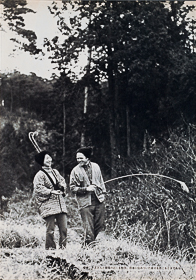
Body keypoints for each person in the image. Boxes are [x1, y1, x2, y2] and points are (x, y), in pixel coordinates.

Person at [70, 147, 106, 245]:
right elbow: (72, 188)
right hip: (85, 203)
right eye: (77, 158)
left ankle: (94, 245)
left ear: (87, 158)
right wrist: (86, 189)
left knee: (99, 224)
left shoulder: (96, 166)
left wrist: (103, 193)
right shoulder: (75, 171)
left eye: (81, 158)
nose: (79, 160)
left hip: (99, 201)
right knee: (88, 227)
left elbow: (101, 181)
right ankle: (88, 247)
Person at [33, 150, 67, 250]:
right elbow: (38, 188)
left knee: (64, 229)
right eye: (46, 158)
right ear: (42, 161)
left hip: (60, 204)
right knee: (50, 230)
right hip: (48, 206)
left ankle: (63, 250)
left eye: (49, 158)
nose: (49, 160)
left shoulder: (55, 172)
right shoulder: (39, 175)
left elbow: (62, 181)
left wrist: (62, 187)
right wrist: (51, 191)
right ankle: (50, 251)